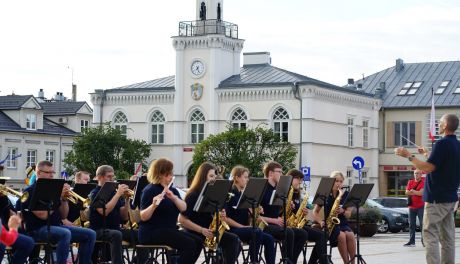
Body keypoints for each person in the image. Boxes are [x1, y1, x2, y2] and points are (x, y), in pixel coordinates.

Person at [395, 113, 460, 264]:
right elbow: (443, 164)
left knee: (430, 235)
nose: (438, 125)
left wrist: (408, 156)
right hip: (450, 198)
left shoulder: (442, 143)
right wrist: (427, 154)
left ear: (444, 126)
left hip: (436, 198)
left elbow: (428, 167)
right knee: (448, 237)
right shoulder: (457, 145)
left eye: (440, 123)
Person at [18, 160, 96, 264]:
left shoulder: (53, 189)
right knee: (65, 233)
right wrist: (58, 197)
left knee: (90, 234)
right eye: (48, 172)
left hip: (56, 227)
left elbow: (64, 215)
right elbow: (43, 216)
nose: (51, 175)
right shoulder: (30, 191)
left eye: (53, 173)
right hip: (37, 229)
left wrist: (63, 199)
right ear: (38, 172)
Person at [139, 158, 201, 264]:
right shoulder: (150, 190)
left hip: (168, 230)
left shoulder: (172, 189)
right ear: (159, 174)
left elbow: (184, 208)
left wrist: (174, 198)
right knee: (189, 244)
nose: (171, 176)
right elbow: (143, 216)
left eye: (171, 173)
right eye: (168, 174)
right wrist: (153, 206)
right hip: (152, 232)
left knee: (198, 241)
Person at [179, 162, 240, 264]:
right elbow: (182, 220)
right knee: (197, 242)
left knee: (234, 240)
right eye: (211, 176)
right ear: (203, 177)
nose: (214, 178)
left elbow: (211, 215)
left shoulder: (212, 194)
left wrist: (221, 216)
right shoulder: (193, 195)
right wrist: (201, 230)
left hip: (209, 231)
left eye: (215, 175)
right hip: (195, 231)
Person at [89, 165, 145, 264]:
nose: (112, 179)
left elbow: (124, 216)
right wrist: (118, 194)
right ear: (100, 177)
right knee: (116, 234)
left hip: (115, 228)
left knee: (143, 234)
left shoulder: (114, 194)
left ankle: (138, 261)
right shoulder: (95, 193)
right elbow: (104, 212)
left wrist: (127, 199)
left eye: (113, 176)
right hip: (98, 229)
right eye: (109, 176)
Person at [259, 161, 309, 264]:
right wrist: (275, 220)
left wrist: (287, 206)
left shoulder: (279, 189)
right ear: (270, 173)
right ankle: (287, 261)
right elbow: (255, 217)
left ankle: (291, 260)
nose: (282, 175)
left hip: (276, 224)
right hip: (264, 225)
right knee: (288, 232)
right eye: (279, 172)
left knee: (302, 233)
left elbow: (276, 210)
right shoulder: (261, 188)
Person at [225, 165, 275, 264]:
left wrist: (255, 211)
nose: (247, 180)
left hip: (244, 228)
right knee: (256, 232)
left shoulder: (243, 195)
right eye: (245, 177)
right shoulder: (230, 194)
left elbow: (247, 216)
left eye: (248, 177)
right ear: (237, 178)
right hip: (232, 229)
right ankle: (254, 261)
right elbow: (226, 218)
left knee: (269, 238)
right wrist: (243, 227)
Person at [312, 171, 356, 264]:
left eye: (341, 181)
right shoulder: (325, 193)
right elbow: (315, 212)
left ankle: (353, 262)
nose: (339, 184)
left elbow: (349, 214)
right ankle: (346, 262)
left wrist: (343, 211)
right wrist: (320, 222)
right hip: (330, 225)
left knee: (350, 235)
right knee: (342, 236)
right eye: (336, 181)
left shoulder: (346, 194)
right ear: (331, 181)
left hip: (343, 223)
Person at [286, 168, 327, 264]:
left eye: (301, 180)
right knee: (303, 234)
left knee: (322, 235)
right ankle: (292, 261)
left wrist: (303, 212)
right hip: (288, 225)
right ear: (290, 178)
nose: (300, 182)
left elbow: (298, 211)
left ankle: (314, 262)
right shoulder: (284, 192)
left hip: (297, 224)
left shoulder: (297, 194)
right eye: (298, 179)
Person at [404, 169, 425, 247]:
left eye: (418, 173)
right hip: (411, 206)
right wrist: (415, 192)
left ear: (421, 174)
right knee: (411, 225)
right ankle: (411, 241)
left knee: (422, 224)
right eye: (415, 173)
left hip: (421, 206)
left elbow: (421, 193)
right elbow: (406, 192)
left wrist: (412, 191)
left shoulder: (423, 182)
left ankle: (424, 241)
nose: (416, 175)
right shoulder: (410, 182)